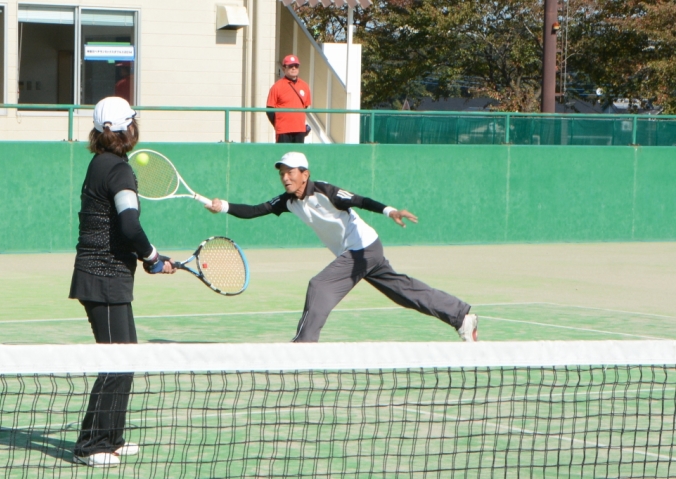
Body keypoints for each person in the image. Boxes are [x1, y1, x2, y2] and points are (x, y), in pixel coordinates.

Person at [205, 152, 478, 343]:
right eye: (282, 173)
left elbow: (360, 200)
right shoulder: (287, 201)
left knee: (320, 285)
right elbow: (255, 210)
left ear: (305, 174)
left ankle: (303, 345)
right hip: (361, 252)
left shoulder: (327, 192)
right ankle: (461, 317)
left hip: (363, 249)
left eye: (290, 172)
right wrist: (223, 206)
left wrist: (390, 211)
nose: (285, 178)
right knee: (403, 291)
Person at [68, 96, 175, 468]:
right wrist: (152, 257)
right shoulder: (118, 170)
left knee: (126, 356)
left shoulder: (101, 164)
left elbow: (120, 229)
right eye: (132, 122)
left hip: (104, 275)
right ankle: (90, 445)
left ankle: (112, 438)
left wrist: (147, 257)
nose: (135, 126)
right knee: (117, 360)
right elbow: (129, 225)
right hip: (104, 278)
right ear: (124, 129)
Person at [266, 55, 312, 143]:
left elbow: (305, 106)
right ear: (284, 68)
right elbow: (269, 109)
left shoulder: (305, 86)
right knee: (284, 152)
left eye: (296, 66)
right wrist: (278, 124)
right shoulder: (277, 86)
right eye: (290, 66)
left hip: (299, 129)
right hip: (283, 130)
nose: (294, 68)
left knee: (297, 152)